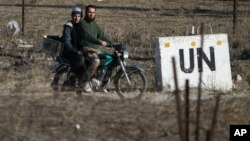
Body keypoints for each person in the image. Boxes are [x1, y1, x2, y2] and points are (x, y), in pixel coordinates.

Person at [51, 6, 102, 89]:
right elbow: (67, 42)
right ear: (72, 16)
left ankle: (88, 79)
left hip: (79, 49)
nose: (77, 18)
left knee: (91, 59)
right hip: (69, 51)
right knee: (81, 59)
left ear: (81, 17)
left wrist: (97, 42)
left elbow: (87, 36)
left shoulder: (80, 26)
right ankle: (73, 77)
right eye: (75, 16)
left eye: (79, 16)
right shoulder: (68, 26)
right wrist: (75, 51)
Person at [75, 5, 112, 92]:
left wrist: (111, 42)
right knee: (96, 61)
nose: (92, 14)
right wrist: (99, 42)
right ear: (86, 13)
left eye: (93, 12)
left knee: (110, 59)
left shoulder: (94, 24)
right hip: (86, 49)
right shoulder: (82, 24)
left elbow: (101, 35)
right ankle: (84, 82)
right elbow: (88, 37)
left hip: (96, 49)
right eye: (89, 12)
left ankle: (100, 84)